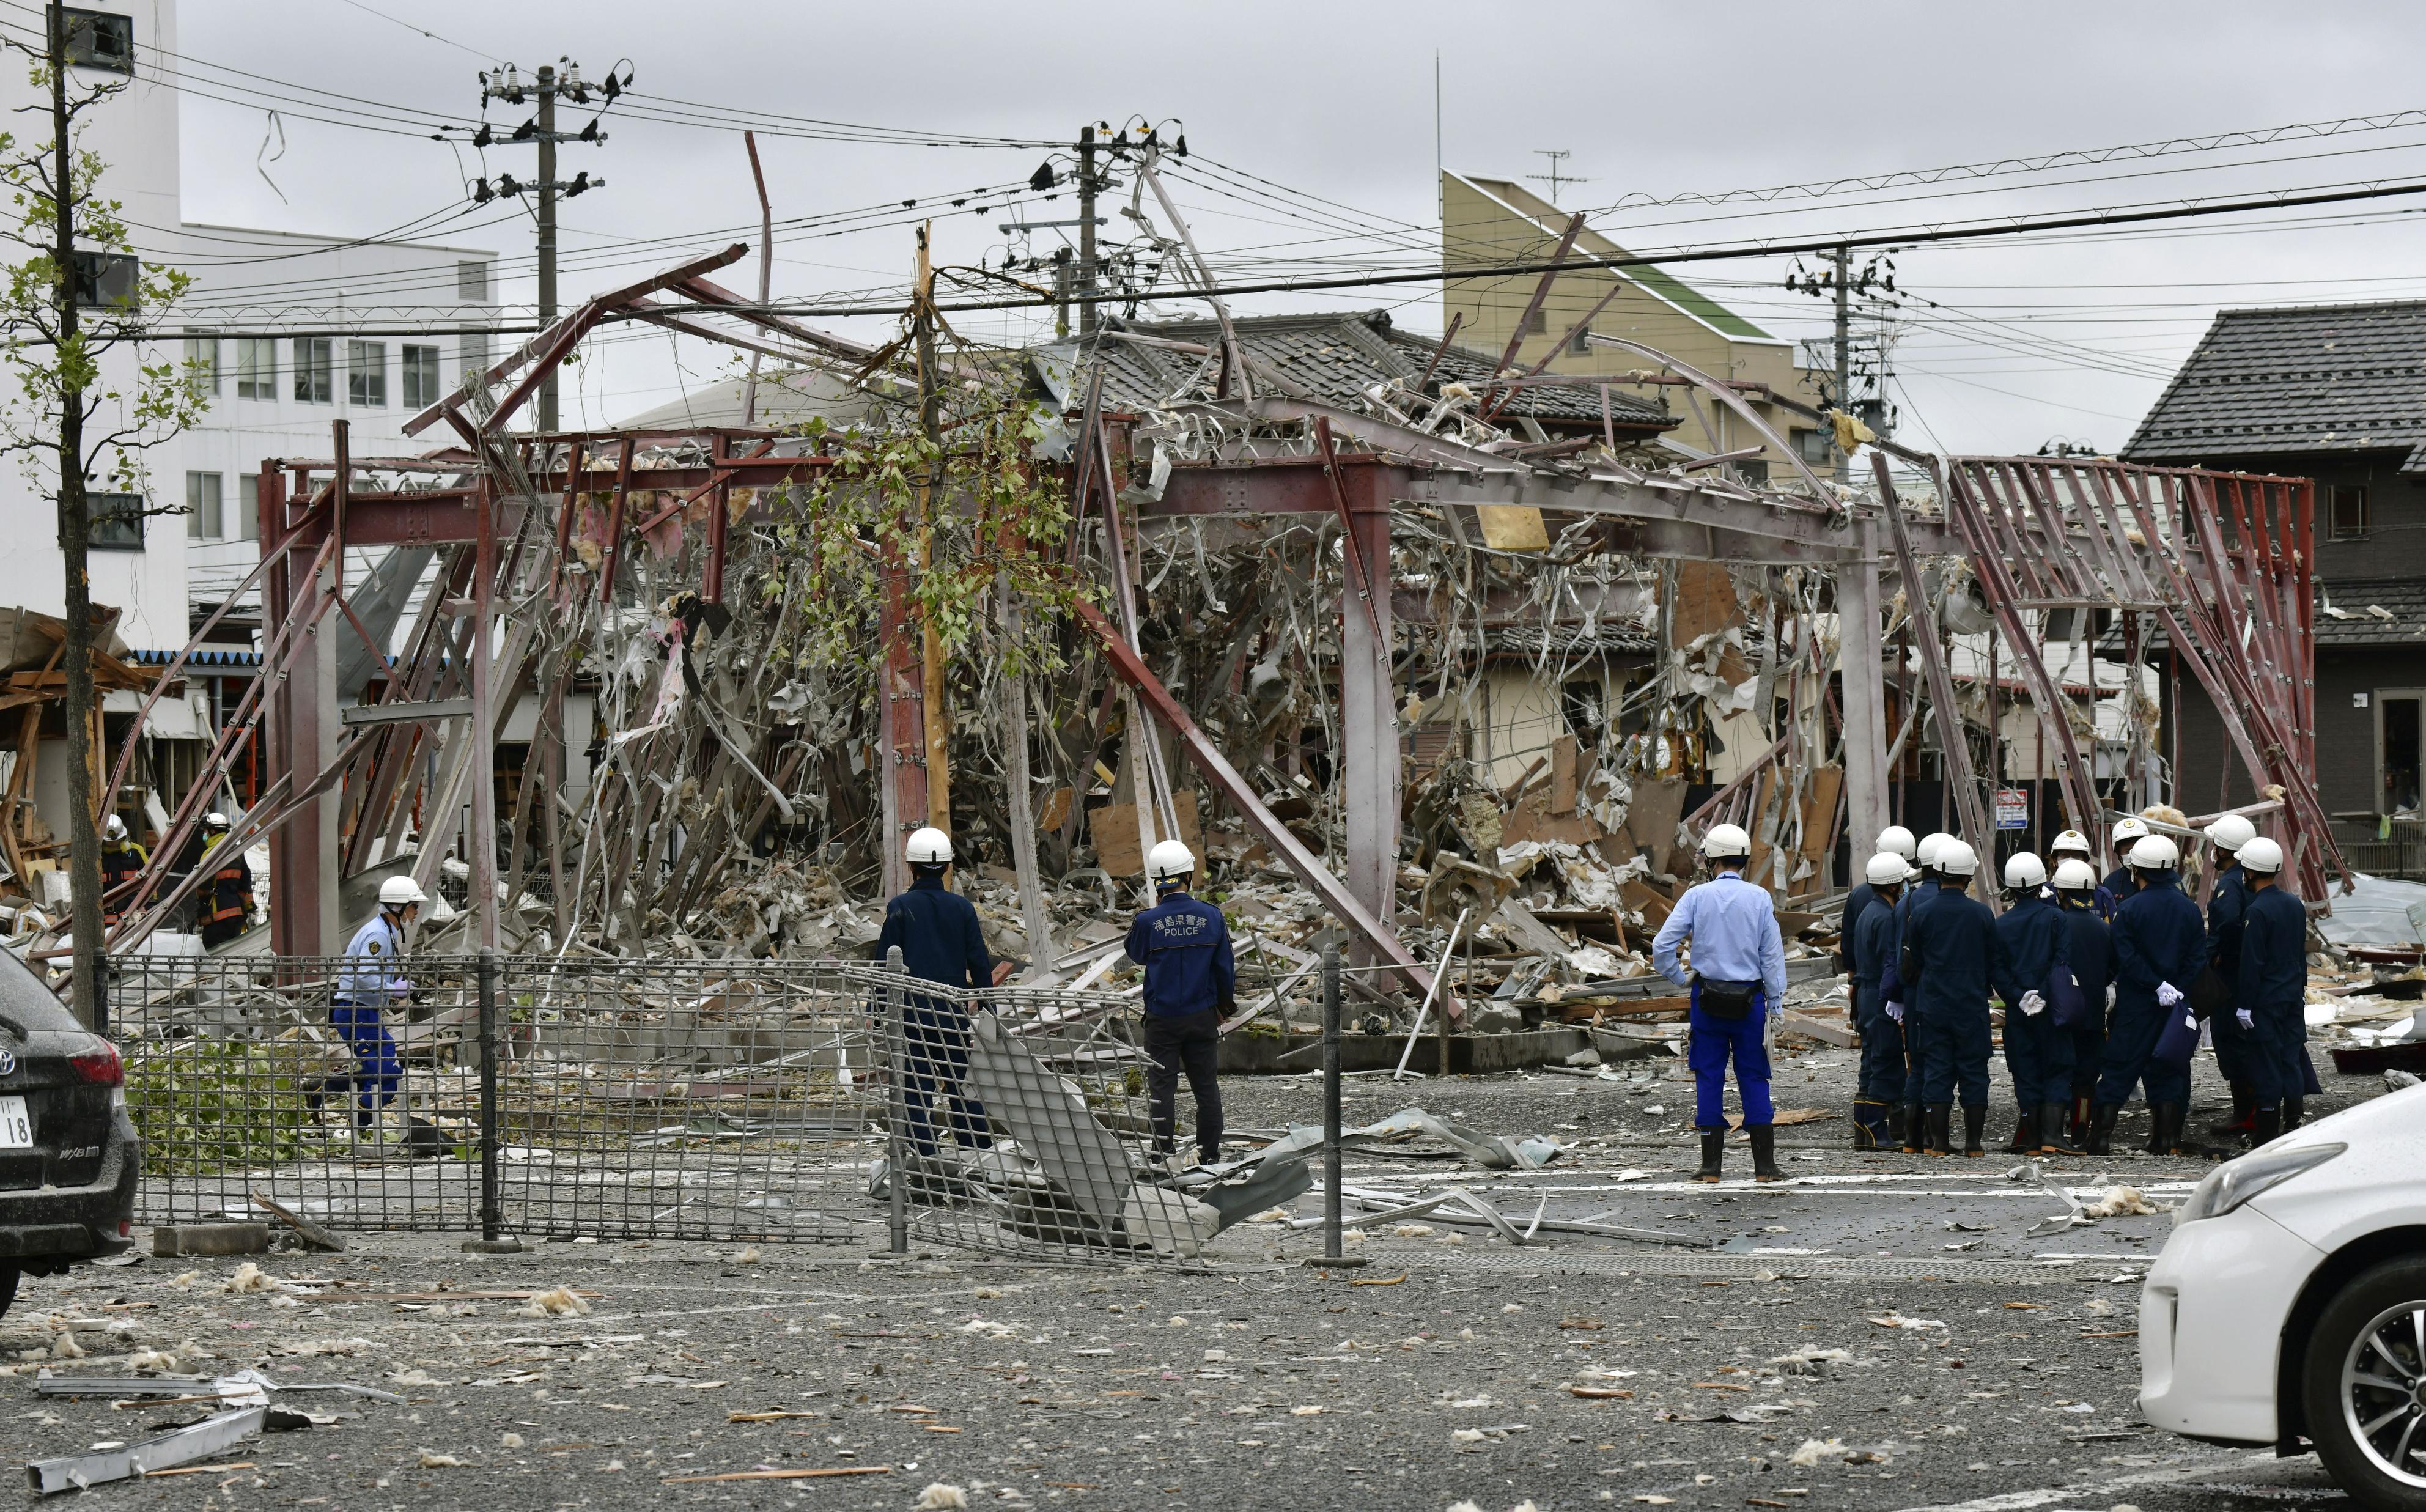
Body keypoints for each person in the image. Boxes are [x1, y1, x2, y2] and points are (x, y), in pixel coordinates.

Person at [1653, 823, 1788, 1183]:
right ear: (1743, 858)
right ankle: (1765, 1168)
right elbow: (1771, 956)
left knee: (1709, 1077)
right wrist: (1776, 1004)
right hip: (1751, 1002)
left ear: (1711, 858)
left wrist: (1682, 979)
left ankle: (1711, 1168)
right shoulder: (1759, 898)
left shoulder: (1697, 897)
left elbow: (1661, 947)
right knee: (1755, 1076)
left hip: (1707, 999)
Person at [874, 827, 1014, 1168]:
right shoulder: (961, 908)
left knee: (916, 1089)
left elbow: (883, 964)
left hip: (910, 1015)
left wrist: (878, 1010)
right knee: (962, 1085)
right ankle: (978, 1152)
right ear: (948, 867)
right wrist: (988, 1010)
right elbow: (979, 962)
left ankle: (926, 1156)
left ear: (911, 866)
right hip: (951, 1013)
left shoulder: (899, 907)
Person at [2089, 834, 2208, 1156]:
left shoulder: (2129, 909)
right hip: (2175, 1005)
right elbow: (2199, 956)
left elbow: (2125, 956)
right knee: (2170, 1067)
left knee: (2120, 1067)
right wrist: (2176, 987)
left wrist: (2154, 984)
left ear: (2136, 870)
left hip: (2137, 1002)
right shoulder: (2189, 909)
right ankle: (2165, 1141)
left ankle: (2100, 1140)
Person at [1123, 839, 1235, 1170]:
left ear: (1157, 882)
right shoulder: (1212, 917)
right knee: (1205, 1086)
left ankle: (1162, 1153)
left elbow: (1137, 954)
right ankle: (1210, 1153)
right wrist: (1223, 1008)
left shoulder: (1147, 921)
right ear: (1188, 874)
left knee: (1162, 1087)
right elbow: (1225, 969)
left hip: (1162, 1017)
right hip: (1202, 1015)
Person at [1900, 838, 1996, 1156]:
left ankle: (1938, 1144)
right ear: (1969, 877)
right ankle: (1973, 1144)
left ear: (1938, 872)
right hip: (1971, 1005)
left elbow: (1915, 960)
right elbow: (1990, 959)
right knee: (1974, 1071)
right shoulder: (1982, 915)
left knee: (1937, 1069)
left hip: (1933, 1004)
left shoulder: (1921, 913)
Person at [322, 876, 425, 1140]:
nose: (415, 914)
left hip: (361, 1010)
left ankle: (318, 1091)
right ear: (398, 907)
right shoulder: (378, 934)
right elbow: (366, 976)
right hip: (357, 1011)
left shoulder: (386, 931)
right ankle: (354, 1128)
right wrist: (393, 990)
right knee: (388, 1071)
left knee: (374, 1070)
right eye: (413, 907)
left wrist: (396, 985)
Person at [1990, 852, 2074, 1155]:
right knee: (2056, 1067)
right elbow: (2062, 960)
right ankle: (2054, 1136)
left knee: (2025, 1071)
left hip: (2018, 1012)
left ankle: (2031, 1139)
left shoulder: (2000, 925)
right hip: (2053, 1010)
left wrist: (2019, 996)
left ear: (2009, 888)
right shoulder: (2056, 917)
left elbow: (1996, 969)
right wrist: (2043, 994)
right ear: (2042, 885)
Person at [2233, 838, 2309, 1144]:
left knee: (2266, 1062)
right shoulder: (2294, 905)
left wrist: (2244, 1005)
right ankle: (2295, 1120)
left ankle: (2265, 1133)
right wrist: (2301, 987)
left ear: (2250, 872)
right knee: (2290, 1058)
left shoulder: (2257, 911)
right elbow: (2299, 953)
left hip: (2266, 1000)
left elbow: (2252, 963)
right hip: (2292, 996)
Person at [1848, 851, 1911, 1151]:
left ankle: (1863, 1130)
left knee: (1871, 1061)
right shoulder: (1886, 917)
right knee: (1886, 1061)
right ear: (1893, 886)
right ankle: (1876, 1129)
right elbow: (1891, 962)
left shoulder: (1867, 912)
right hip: (1879, 995)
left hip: (1866, 992)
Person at [1892, 832, 1951, 1151]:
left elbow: (1900, 953)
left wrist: (1898, 994)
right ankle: (1934, 1137)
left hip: (1915, 993)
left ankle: (1913, 1138)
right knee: (1942, 1063)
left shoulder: (1908, 900)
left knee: (1917, 1061)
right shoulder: (1948, 900)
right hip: (1943, 993)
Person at [2200, 813, 2258, 1139]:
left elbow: (2228, 923)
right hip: (2246, 974)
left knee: (2231, 1040)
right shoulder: (2249, 879)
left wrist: (2222, 954)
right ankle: (2254, 1110)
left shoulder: (2230, 883)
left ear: (2224, 849)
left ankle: (2244, 1113)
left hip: (2229, 977)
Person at [2052, 858, 2114, 1148]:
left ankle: (2050, 1132)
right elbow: (2113, 969)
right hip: (2093, 1016)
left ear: (2060, 892)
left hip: (2059, 1015)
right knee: (2086, 1079)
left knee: (2057, 1072)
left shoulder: (2056, 924)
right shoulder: (2105, 929)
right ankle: (2079, 1131)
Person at [1838, 825, 1917, 976]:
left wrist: (1852, 980)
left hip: (1869, 979)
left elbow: (1849, 942)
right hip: (1890, 981)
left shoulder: (1858, 895)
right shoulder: (1913, 897)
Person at [198, 813, 254, 950]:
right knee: (233, 952)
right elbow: (246, 877)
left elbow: (203, 884)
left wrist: (200, 897)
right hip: (236, 912)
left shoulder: (210, 853)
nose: (204, 834)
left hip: (217, 915)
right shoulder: (235, 850)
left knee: (214, 954)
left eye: (206, 831)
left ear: (212, 831)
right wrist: (239, 898)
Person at [2048, 830, 2119, 919]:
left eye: (2077, 855)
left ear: (2086, 861)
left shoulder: (2101, 896)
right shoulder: (2045, 894)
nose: (2071, 860)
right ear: (2055, 861)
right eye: (2064, 855)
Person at [98, 815, 148, 929]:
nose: (112, 844)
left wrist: (149, 904)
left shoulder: (135, 851)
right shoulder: (95, 855)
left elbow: (149, 878)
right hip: (104, 911)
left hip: (132, 909)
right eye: (108, 841)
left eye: (115, 841)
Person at [2101, 816, 2150, 909]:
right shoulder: (2111, 881)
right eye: (2127, 851)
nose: (2133, 855)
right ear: (2118, 853)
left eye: (2137, 849)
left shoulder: (2163, 876)